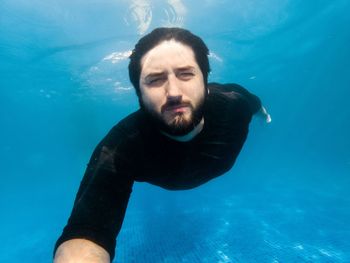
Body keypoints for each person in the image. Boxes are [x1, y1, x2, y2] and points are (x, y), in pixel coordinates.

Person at [53, 27, 271, 263]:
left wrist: (264, 116)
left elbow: (255, 104)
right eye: (155, 80)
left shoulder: (234, 103)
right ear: (139, 94)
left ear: (205, 81)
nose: (174, 93)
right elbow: (86, 231)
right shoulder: (122, 146)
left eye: (186, 74)